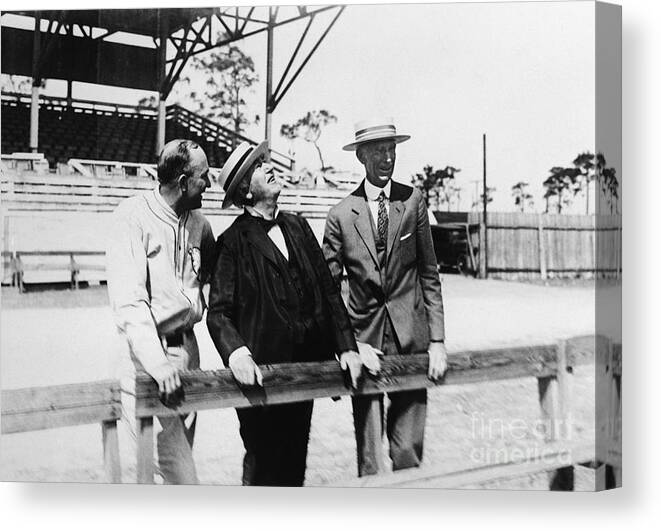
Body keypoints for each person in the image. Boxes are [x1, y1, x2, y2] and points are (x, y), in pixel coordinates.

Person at [207, 141, 362, 486]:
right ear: (245, 191)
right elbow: (218, 312)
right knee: (263, 467)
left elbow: (328, 291)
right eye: (259, 167)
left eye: (265, 161)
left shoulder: (299, 226)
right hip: (261, 378)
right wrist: (237, 354)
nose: (269, 167)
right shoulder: (231, 242)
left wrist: (347, 346)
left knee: (294, 467)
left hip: (304, 372)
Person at [323, 118, 447, 476]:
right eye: (378, 150)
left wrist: (437, 340)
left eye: (391, 149)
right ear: (361, 156)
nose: (387, 157)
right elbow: (330, 293)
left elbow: (429, 274)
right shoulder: (340, 215)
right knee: (370, 458)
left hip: (412, 341)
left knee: (408, 451)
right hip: (366, 347)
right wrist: (348, 344)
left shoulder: (412, 201)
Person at [106, 139, 215, 484]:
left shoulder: (201, 224)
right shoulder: (131, 216)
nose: (209, 185)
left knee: (176, 468)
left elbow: (211, 284)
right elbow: (129, 302)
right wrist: (156, 362)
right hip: (147, 358)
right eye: (204, 177)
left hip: (187, 354)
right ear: (183, 182)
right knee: (174, 477)